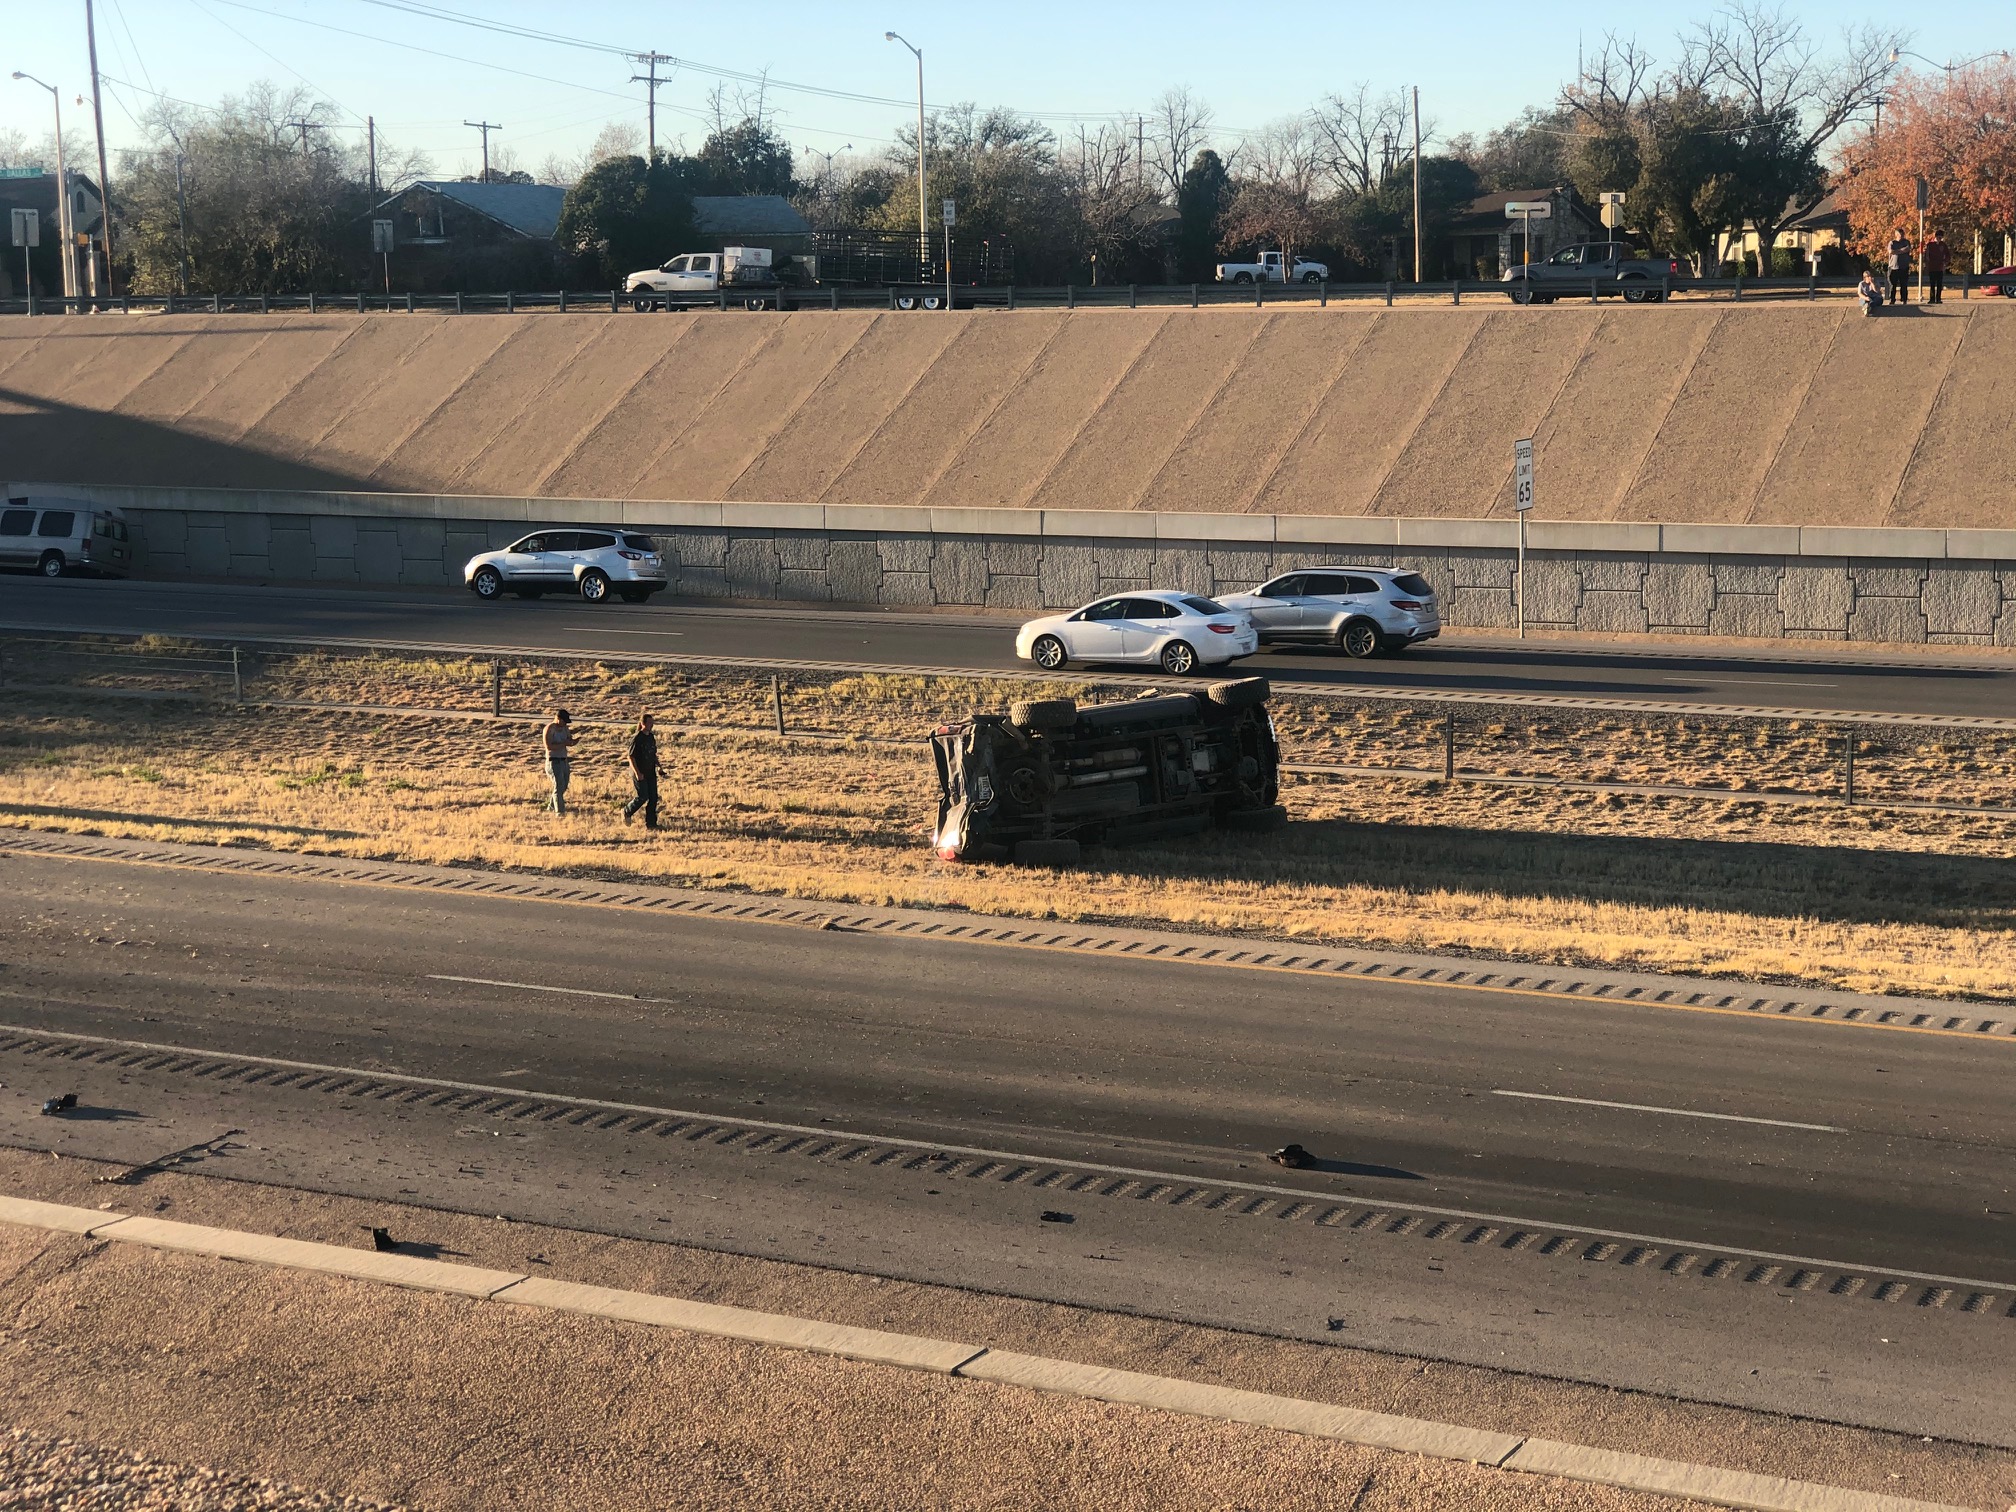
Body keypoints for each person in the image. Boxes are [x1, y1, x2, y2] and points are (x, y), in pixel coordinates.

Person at [623, 712, 663, 829]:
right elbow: (631, 757)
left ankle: (651, 823)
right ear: (643, 723)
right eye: (649, 723)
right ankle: (627, 811)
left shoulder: (651, 737)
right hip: (639, 772)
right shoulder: (637, 738)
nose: (652, 725)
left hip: (650, 771)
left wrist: (659, 766)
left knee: (653, 797)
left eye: (652, 723)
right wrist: (637, 773)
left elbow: (653, 754)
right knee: (643, 796)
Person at [541, 708, 575, 816]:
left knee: (564, 785)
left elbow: (569, 739)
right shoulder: (549, 729)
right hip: (553, 761)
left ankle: (551, 806)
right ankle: (559, 811)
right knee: (558, 786)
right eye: (564, 721)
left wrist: (572, 741)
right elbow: (549, 746)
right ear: (558, 719)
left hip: (564, 760)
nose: (565, 724)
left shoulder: (565, 728)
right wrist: (564, 744)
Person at [1887, 229, 1912, 304]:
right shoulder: (1892, 243)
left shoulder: (1906, 242)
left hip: (1904, 267)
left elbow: (1907, 249)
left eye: (1902, 234)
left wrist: (1896, 251)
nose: (1901, 235)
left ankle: (1904, 299)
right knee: (1892, 285)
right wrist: (1901, 250)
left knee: (1903, 284)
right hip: (1893, 267)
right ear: (1896, 235)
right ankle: (1892, 300)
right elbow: (1891, 251)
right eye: (1900, 234)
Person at [1924, 230, 1948, 305]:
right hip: (1932, 267)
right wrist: (1927, 265)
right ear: (1936, 237)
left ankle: (1938, 299)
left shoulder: (1943, 245)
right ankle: (1932, 299)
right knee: (1932, 284)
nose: (1939, 239)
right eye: (1938, 237)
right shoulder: (1930, 245)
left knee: (1939, 284)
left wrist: (1945, 262)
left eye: (1941, 238)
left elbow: (1947, 254)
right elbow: (1926, 255)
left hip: (1940, 267)